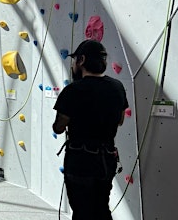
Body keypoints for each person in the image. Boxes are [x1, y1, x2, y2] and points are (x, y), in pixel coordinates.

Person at [52, 40, 129, 220]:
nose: (72, 65)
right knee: (101, 208)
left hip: (80, 162)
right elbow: (120, 121)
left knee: (82, 212)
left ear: (82, 60)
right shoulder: (117, 87)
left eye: (74, 60)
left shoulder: (72, 90)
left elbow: (59, 127)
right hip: (106, 160)